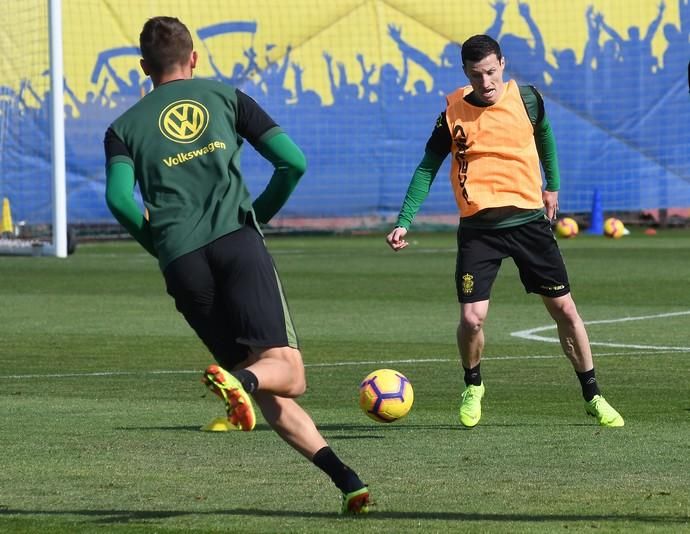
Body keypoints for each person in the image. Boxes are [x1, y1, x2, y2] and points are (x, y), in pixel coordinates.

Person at [103, 16, 370, 514]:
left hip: (181, 263)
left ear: (144, 68)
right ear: (195, 58)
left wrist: (160, 244)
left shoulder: (121, 129)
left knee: (258, 376)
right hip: (236, 244)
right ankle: (240, 383)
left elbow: (119, 200)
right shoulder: (226, 96)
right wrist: (258, 217)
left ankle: (348, 480)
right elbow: (293, 162)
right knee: (286, 375)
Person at [386, 34, 624, 429]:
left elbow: (544, 135)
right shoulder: (453, 114)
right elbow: (427, 167)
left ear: (503, 64)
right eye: (477, 75)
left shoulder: (528, 100)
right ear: (466, 73)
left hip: (529, 223)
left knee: (565, 309)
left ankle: (593, 395)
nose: (487, 82)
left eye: (492, 72)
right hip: (479, 230)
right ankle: (473, 384)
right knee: (472, 319)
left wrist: (553, 185)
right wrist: (403, 220)